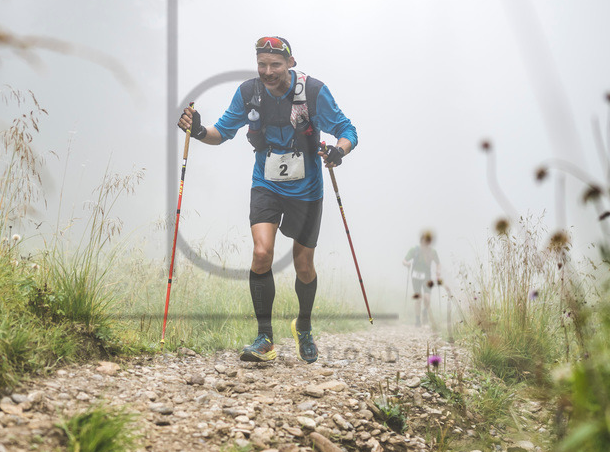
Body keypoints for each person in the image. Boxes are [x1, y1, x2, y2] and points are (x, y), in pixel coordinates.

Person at [177, 36, 358, 364]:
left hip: (307, 190)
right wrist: (200, 131)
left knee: (304, 266)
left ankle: (303, 324)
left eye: (275, 64)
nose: (268, 71)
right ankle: (265, 339)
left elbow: (348, 130)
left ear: (291, 63)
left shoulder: (313, 92)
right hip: (266, 184)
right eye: (262, 64)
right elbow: (222, 133)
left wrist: (337, 150)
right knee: (261, 254)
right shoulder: (249, 93)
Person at [403, 232, 441, 328]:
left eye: (428, 241)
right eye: (424, 240)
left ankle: (425, 311)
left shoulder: (432, 252)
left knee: (427, 298)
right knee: (418, 299)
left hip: (427, 277)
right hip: (415, 276)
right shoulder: (414, 250)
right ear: (421, 241)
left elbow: (438, 263)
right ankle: (417, 320)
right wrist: (407, 264)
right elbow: (404, 260)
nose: (426, 243)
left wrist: (438, 271)